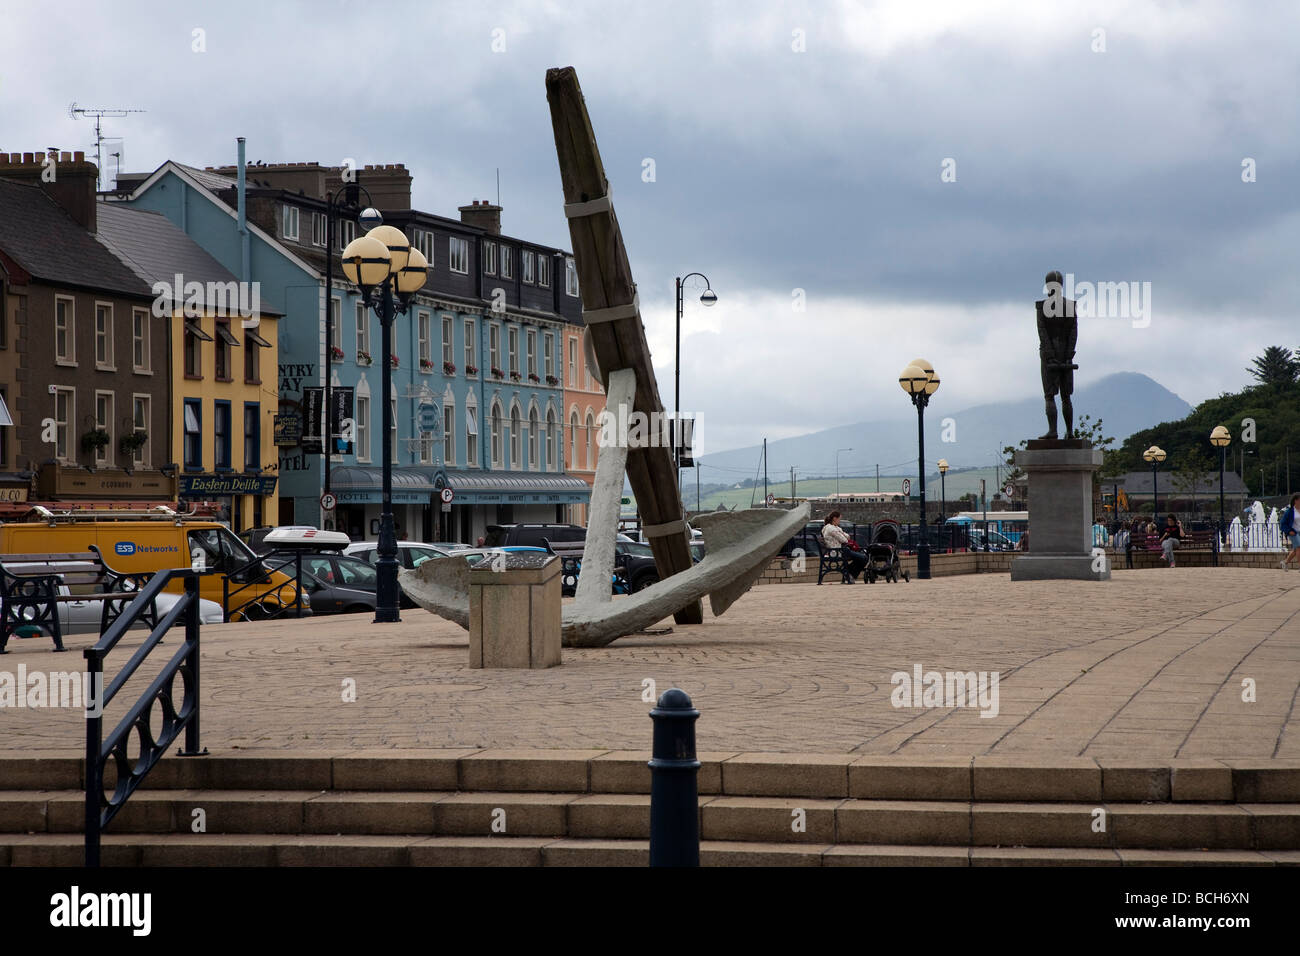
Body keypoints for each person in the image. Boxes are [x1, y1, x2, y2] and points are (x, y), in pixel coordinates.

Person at [821, 511, 868, 581]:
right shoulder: (831, 529)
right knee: (864, 558)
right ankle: (849, 572)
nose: (839, 521)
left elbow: (847, 536)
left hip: (839, 551)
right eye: (839, 519)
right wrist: (843, 534)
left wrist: (842, 534)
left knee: (862, 558)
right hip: (838, 552)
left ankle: (848, 572)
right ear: (834, 518)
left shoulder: (833, 528)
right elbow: (845, 540)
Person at [1280, 494, 1300, 570]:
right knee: (1299, 548)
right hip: (1293, 532)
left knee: (1296, 549)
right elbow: (1283, 523)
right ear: (1296, 501)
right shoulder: (1290, 511)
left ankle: (1285, 562)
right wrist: (1288, 531)